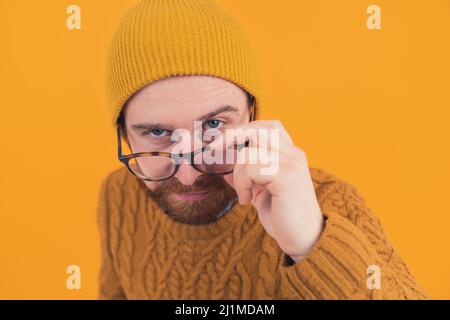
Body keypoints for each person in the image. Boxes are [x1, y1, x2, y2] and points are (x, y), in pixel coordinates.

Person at [98, 0, 429, 299]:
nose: (188, 175)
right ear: (123, 134)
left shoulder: (330, 206)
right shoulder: (119, 196)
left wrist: (311, 245)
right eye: (157, 132)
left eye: (213, 126)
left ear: (252, 115)